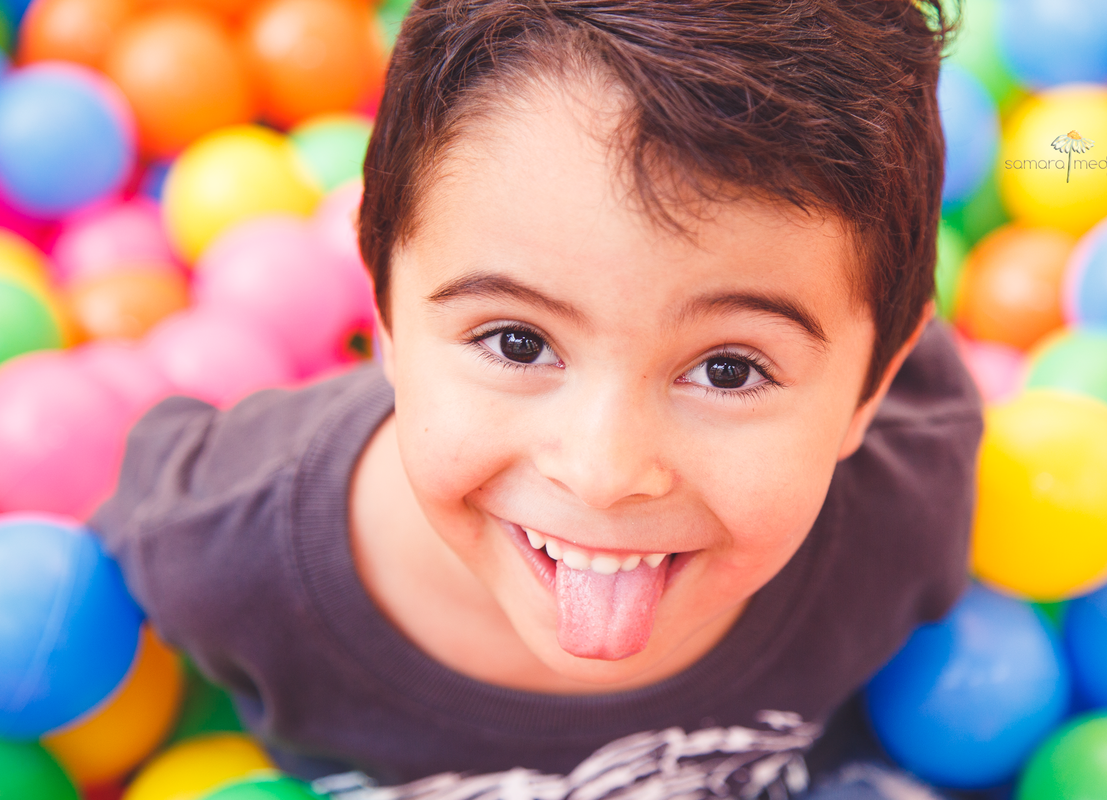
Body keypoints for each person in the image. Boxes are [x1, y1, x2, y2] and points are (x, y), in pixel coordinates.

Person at [91, 1, 983, 797]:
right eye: (517, 342)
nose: (603, 473)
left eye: (728, 369)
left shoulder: (906, 505)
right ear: (385, 316)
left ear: (875, 383)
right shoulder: (220, 550)